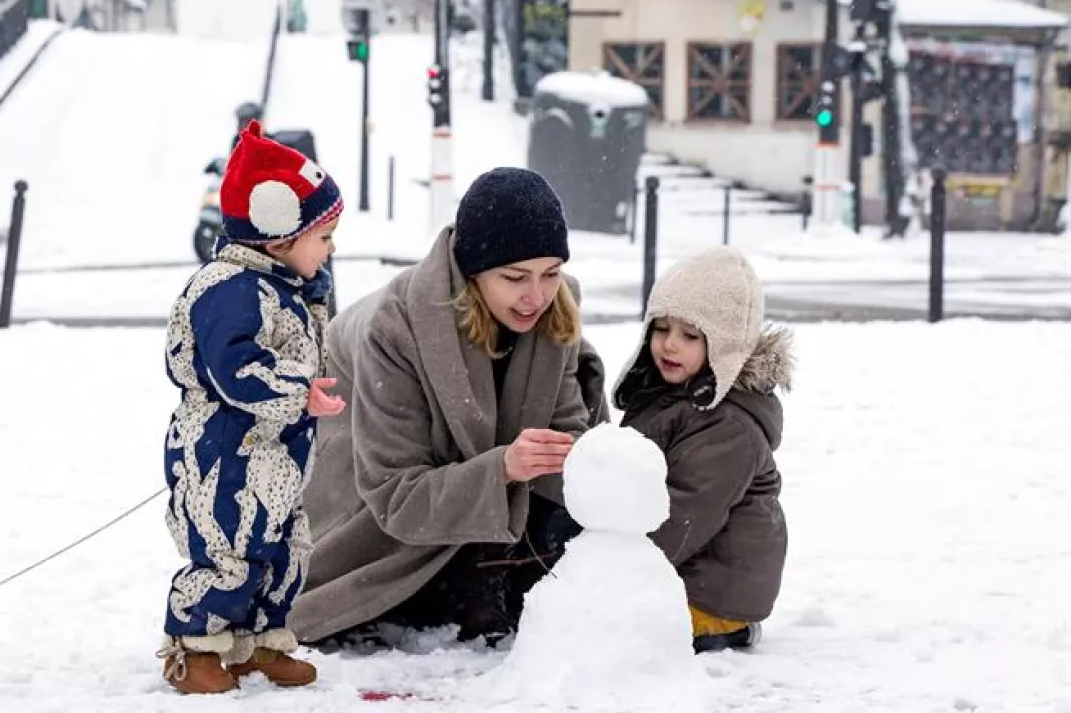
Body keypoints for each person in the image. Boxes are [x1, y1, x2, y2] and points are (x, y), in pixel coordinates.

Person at [290, 167, 609, 648]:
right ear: (473, 271)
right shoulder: (393, 330)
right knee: (427, 591)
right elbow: (395, 495)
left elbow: (568, 430)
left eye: (551, 274)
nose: (536, 296)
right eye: (515, 277)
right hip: (363, 491)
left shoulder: (554, 307)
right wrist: (502, 468)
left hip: (462, 486)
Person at [156, 120, 347, 694]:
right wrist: (298, 390)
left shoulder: (286, 286)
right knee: (227, 547)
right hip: (221, 454)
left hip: (277, 455)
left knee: (283, 546)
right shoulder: (229, 289)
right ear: (278, 233)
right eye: (324, 237)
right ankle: (196, 646)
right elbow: (233, 368)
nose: (331, 250)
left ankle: (261, 641)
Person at [610, 245, 794, 653]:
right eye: (661, 329)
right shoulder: (671, 394)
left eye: (690, 335)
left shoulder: (727, 425)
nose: (669, 345)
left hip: (714, 590)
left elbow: (683, 518)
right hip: (682, 568)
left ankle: (728, 629)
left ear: (726, 346)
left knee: (612, 629)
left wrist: (610, 567)